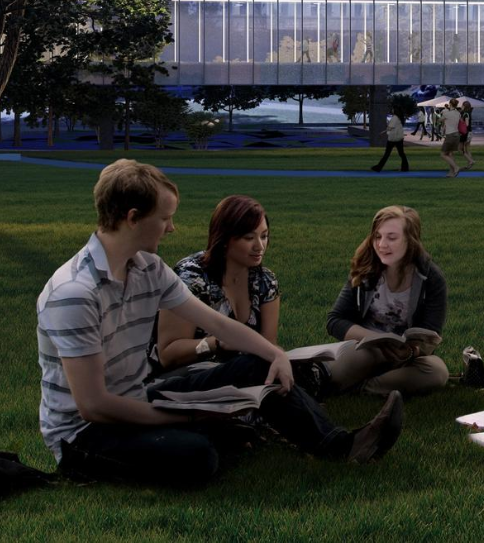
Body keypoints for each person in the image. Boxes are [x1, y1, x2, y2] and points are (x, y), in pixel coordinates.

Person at [36, 161, 403, 488]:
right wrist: (193, 414)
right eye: (164, 219)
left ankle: (342, 445)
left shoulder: (147, 268)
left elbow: (218, 324)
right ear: (132, 218)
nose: (172, 228)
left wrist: (274, 353)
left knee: (257, 363)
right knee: (199, 457)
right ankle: (191, 437)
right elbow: (94, 406)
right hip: (86, 434)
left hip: (138, 394)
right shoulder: (75, 293)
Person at [321, 205, 450, 397]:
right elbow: (335, 320)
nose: (382, 244)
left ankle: (364, 388)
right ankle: (357, 381)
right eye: (377, 236)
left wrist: (410, 352)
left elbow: (432, 333)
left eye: (392, 237)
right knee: (335, 373)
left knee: (437, 372)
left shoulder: (431, 278)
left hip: (407, 355)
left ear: (410, 240)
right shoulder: (365, 269)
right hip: (366, 349)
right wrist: (375, 340)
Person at [150, 196, 280, 386]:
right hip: (187, 374)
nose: (259, 246)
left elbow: (269, 346)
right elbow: (168, 355)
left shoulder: (265, 281)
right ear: (225, 238)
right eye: (249, 237)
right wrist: (216, 343)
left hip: (243, 371)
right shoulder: (191, 277)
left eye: (264, 236)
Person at [369, 107, 409, 172]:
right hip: (399, 138)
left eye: (393, 109)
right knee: (401, 153)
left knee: (387, 154)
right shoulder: (399, 118)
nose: (392, 110)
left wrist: (383, 133)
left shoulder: (394, 118)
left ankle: (378, 167)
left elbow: (390, 127)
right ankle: (405, 167)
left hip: (392, 139)